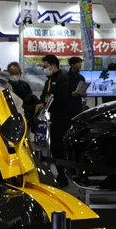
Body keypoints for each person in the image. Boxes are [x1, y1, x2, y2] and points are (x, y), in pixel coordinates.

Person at [35, 54, 74, 186]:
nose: (44, 69)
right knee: (54, 148)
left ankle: (64, 175)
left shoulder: (63, 79)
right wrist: (41, 103)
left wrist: (47, 105)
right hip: (51, 119)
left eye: (45, 66)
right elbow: (44, 96)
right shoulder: (49, 80)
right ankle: (60, 174)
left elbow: (62, 99)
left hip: (62, 119)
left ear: (53, 65)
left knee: (60, 148)